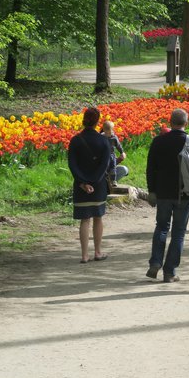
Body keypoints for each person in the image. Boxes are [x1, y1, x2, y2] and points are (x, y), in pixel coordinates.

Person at [145, 108, 189, 283]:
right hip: (185, 194)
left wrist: (152, 190)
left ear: (170, 121)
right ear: (186, 124)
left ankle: (155, 262)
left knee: (161, 227)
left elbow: (150, 168)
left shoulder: (158, 141)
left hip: (163, 193)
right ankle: (170, 271)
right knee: (179, 233)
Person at [67, 107, 112, 264]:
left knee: (84, 220)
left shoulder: (75, 140)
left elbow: (72, 165)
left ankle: (84, 255)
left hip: (81, 186)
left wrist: (82, 183)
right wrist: (93, 182)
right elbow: (104, 165)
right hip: (98, 185)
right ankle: (98, 252)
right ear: (98, 121)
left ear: (84, 119)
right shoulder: (103, 141)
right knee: (98, 218)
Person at [101, 120, 128, 185]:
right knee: (105, 167)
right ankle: (104, 179)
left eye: (110, 133)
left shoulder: (114, 137)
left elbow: (118, 145)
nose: (109, 134)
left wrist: (122, 152)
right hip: (103, 155)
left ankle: (113, 181)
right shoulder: (101, 137)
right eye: (107, 133)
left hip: (111, 154)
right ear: (104, 130)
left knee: (112, 167)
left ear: (113, 130)